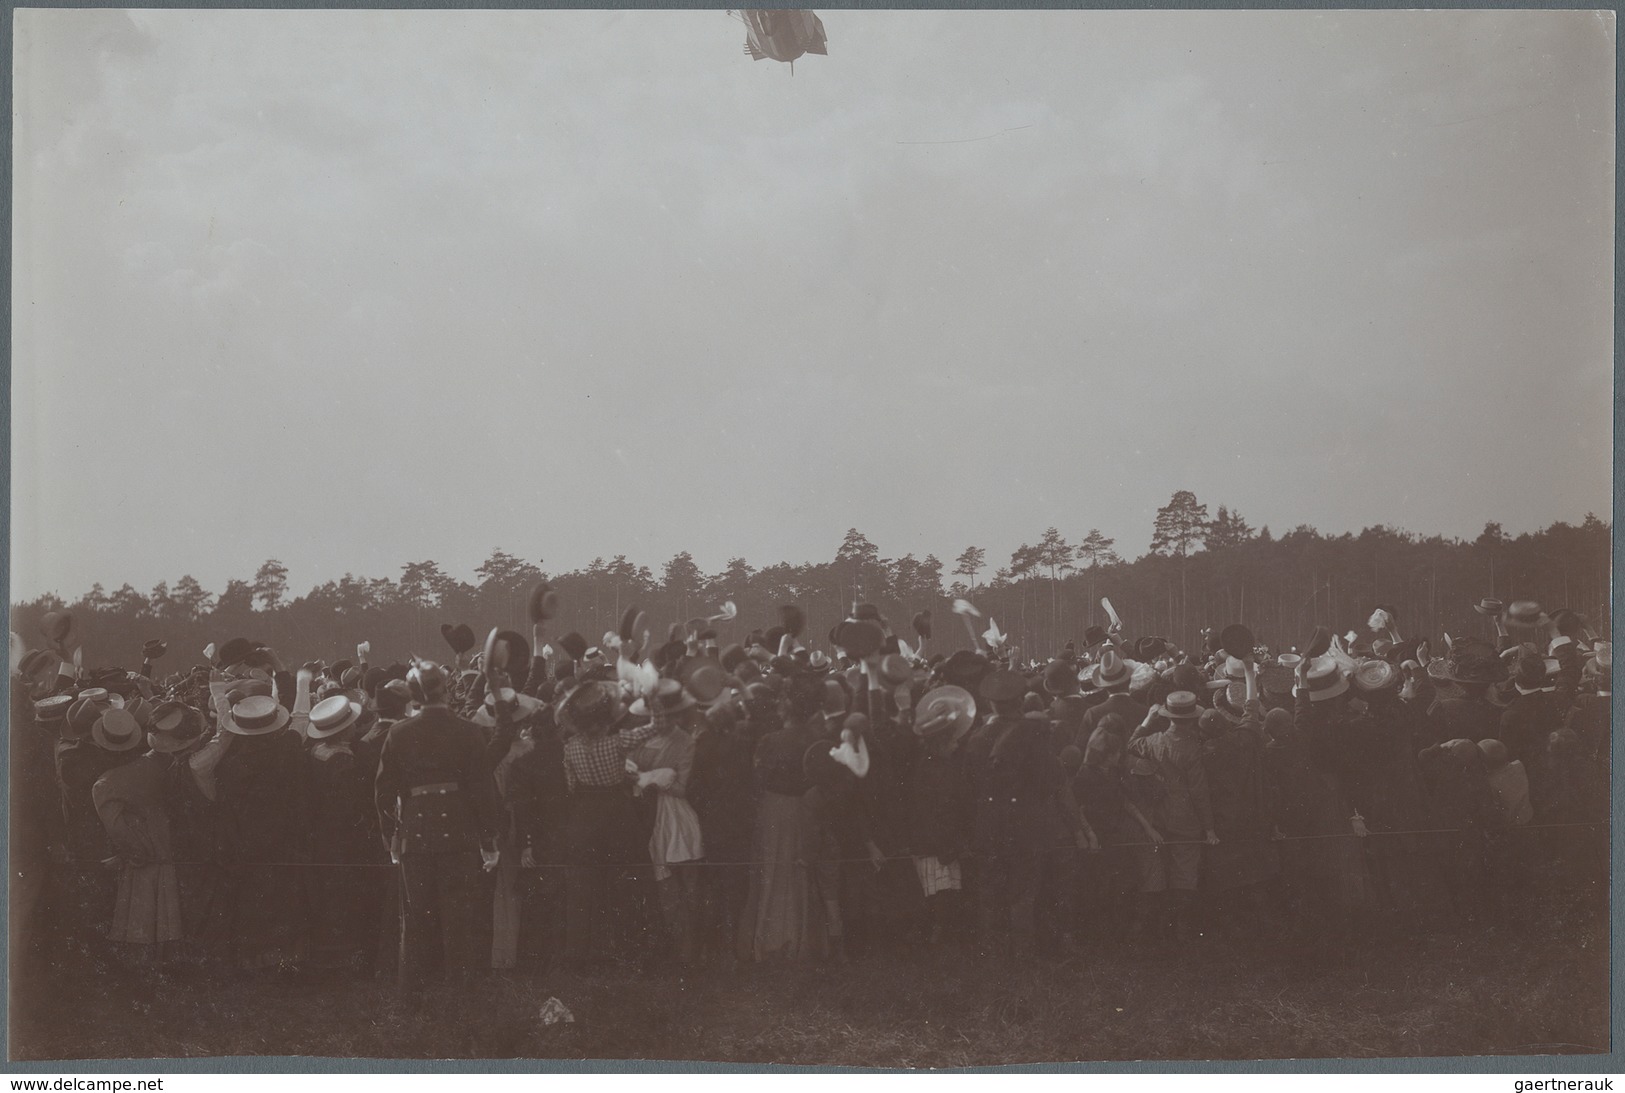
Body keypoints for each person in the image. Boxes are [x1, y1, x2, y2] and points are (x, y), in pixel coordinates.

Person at [373, 659, 501, 992]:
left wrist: (392, 837)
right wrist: (488, 840)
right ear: (445, 689)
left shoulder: (398, 732)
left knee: (415, 922)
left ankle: (413, 998)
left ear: (413, 695)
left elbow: (383, 792)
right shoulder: (469, 731)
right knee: (460, 921)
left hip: (416, 835)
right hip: (459, 835)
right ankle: (461, 997)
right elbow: (482, 792)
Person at [1126, 691, 1217, 942]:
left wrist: (1146, 721)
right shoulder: (1193, 749)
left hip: (1157, 817)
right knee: (1185, 873)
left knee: (1156, 874)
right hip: (1186, 819)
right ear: (1191, 718)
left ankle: (1153, 933)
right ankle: (1182, 932)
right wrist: (1209, 828)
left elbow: (1130, 743)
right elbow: (1199, 791)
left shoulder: (1153, 741)